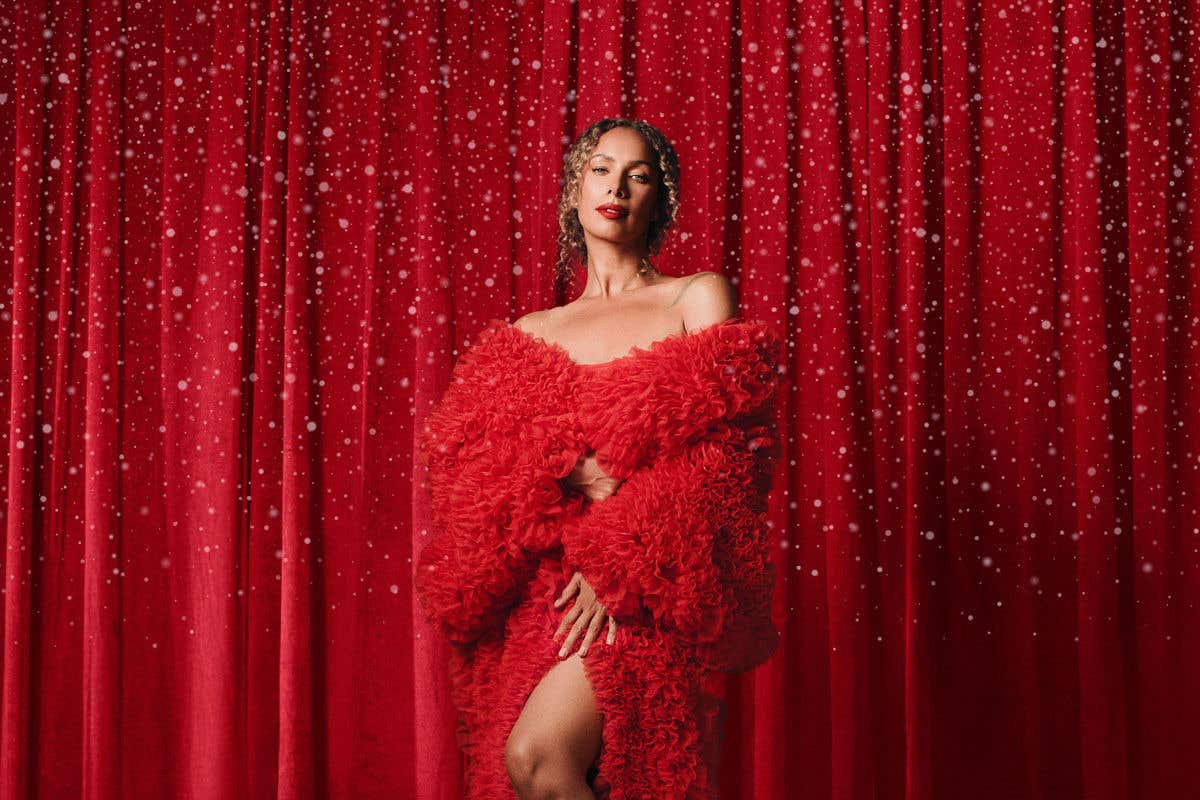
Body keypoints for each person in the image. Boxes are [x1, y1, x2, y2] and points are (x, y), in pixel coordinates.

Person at [415, 117, 783, 800]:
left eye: (639, 174)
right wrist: (564, 473)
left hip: (642, 588)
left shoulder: (693, 296)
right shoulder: (528, 336)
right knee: (545, 776)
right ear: (575, 191)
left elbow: (731, 456)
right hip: (545, 595)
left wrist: (623, 562)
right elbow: (470, 469)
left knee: (538, 756)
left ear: (659, 198)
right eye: (601, 169)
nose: (617, 186)